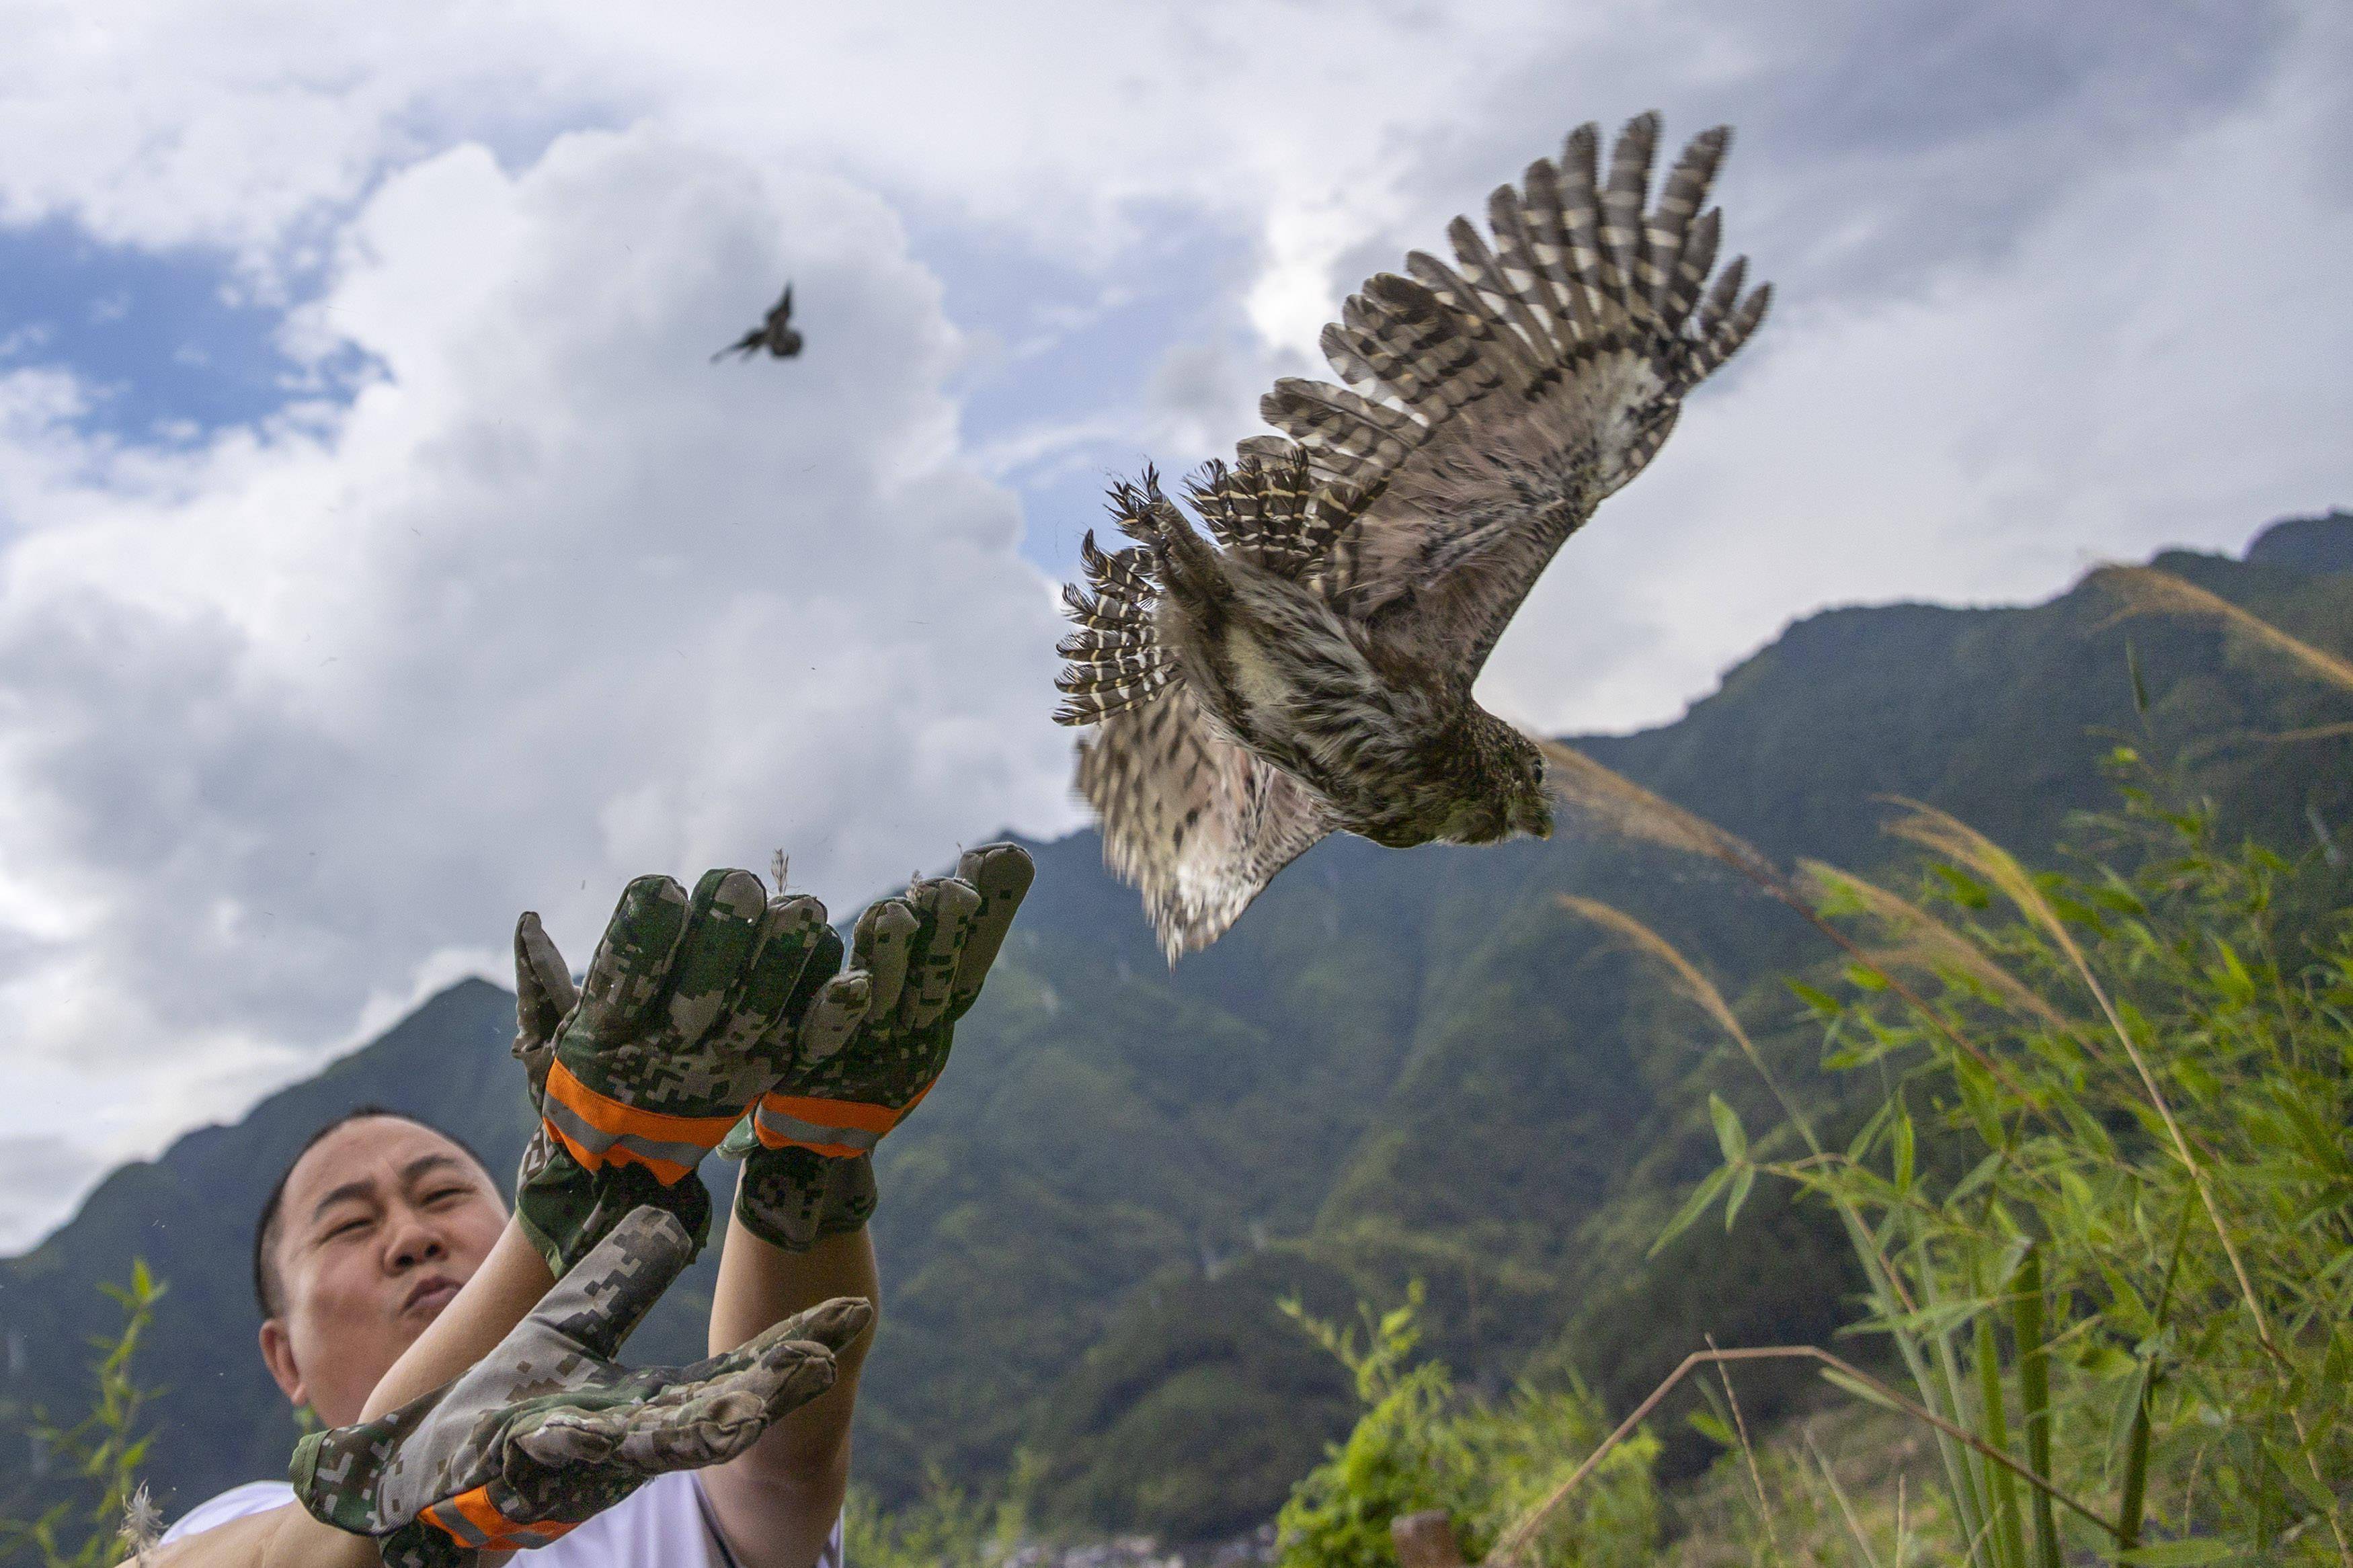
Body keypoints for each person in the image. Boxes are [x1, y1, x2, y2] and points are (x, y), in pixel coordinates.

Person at [149, 845, 1033, 1567]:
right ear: (283, 1357)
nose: (412, 1235)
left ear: (504, 1224)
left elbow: (784, 1468)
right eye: (349, 1223)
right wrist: (554, 1231)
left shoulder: (651, 1490)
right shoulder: (238, 1528)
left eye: (444, 1193)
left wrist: (812, 1166)